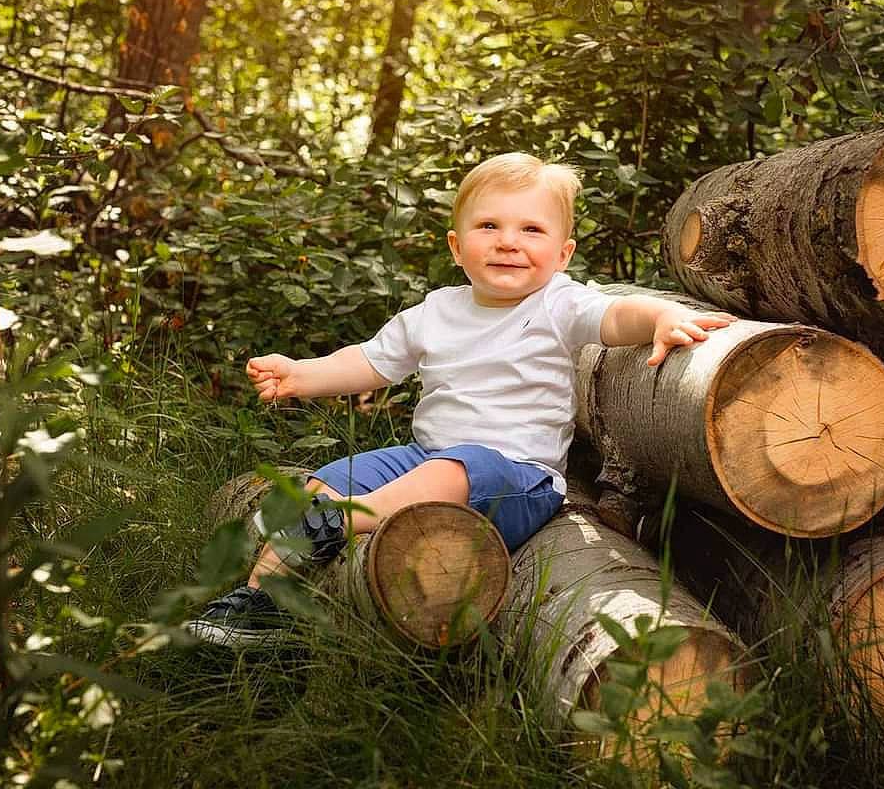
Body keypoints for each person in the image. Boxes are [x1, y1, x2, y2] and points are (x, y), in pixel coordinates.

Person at [186, 152, 735, 647]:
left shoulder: (557, 304)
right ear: (457, 245)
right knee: (329, 478)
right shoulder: (435, 312)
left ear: (562, 254)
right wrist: (300, 375)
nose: (508, 241)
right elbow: (370, 361)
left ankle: (338, 522)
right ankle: (260, 601)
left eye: (531, 229)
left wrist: (662, 316)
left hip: (517, 480)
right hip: (426, 459)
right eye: (489, 225)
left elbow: (615, 318)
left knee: (458, 467)